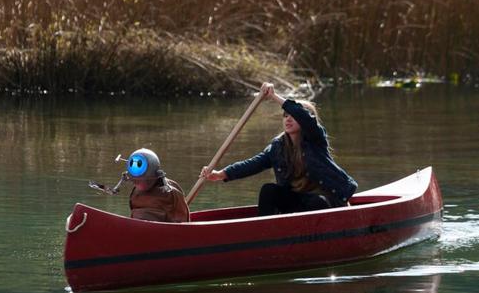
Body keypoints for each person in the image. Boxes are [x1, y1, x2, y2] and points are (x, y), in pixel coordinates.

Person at [200, 83, 357, 216]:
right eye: (285, 115)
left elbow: (304, 117)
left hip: (327, 201)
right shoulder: (277, 147)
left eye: (293, 115)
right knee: (268, 190)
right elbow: (253, 164)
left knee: (315, 202)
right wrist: (221, 174)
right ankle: (266, 230)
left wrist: (274, 96)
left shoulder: (315, 139)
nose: (288, 118)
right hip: (298, 201)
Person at [126, 148, 190, 223]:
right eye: (135, 181)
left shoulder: (171, 192)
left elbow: (184, 222)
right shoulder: (135, 192)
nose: (137, 183)